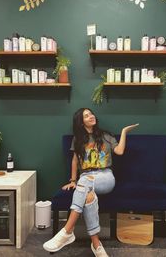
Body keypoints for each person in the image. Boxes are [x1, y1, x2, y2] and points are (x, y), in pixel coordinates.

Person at [43, 108, 139, 256]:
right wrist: (73, 180)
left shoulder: (106, 135)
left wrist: (124, 132)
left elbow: (119, 151)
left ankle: (67, 231)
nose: (91, 116)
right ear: (81, 123)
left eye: (91, 114)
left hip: (105, 177)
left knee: (84, 183)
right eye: (86, 116)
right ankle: (97, 245)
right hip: (85, 178)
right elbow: (75, 160)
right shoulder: (78, 139)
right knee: (89, 198)